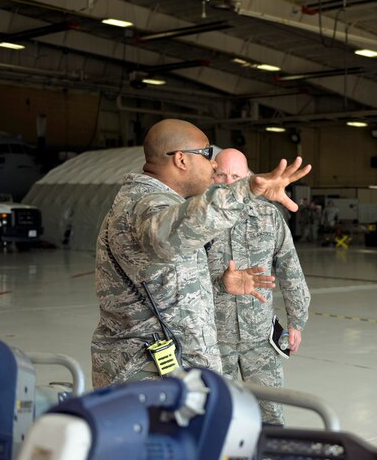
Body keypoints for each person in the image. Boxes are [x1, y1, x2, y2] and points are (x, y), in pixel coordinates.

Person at [91, 119, 310, 388]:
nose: (215, 164)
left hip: (167, 376)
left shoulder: (155, 202)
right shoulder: (148, 205)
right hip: (151, 381)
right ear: (181, 160)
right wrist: (246, 190)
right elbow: (164, 237)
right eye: (207, 154)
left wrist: (220, 284)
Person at [207, 149, 311, 425]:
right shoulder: (198, 219)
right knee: (217, 416)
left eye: (236, 176)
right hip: (213, 340)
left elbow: (290, 267)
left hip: (260, 338)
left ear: (250, 178)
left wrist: (297, 320)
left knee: (271, 414)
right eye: (221, 174)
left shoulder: (268, 215)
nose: (228, 182)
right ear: (211, 175)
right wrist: (220, 284)